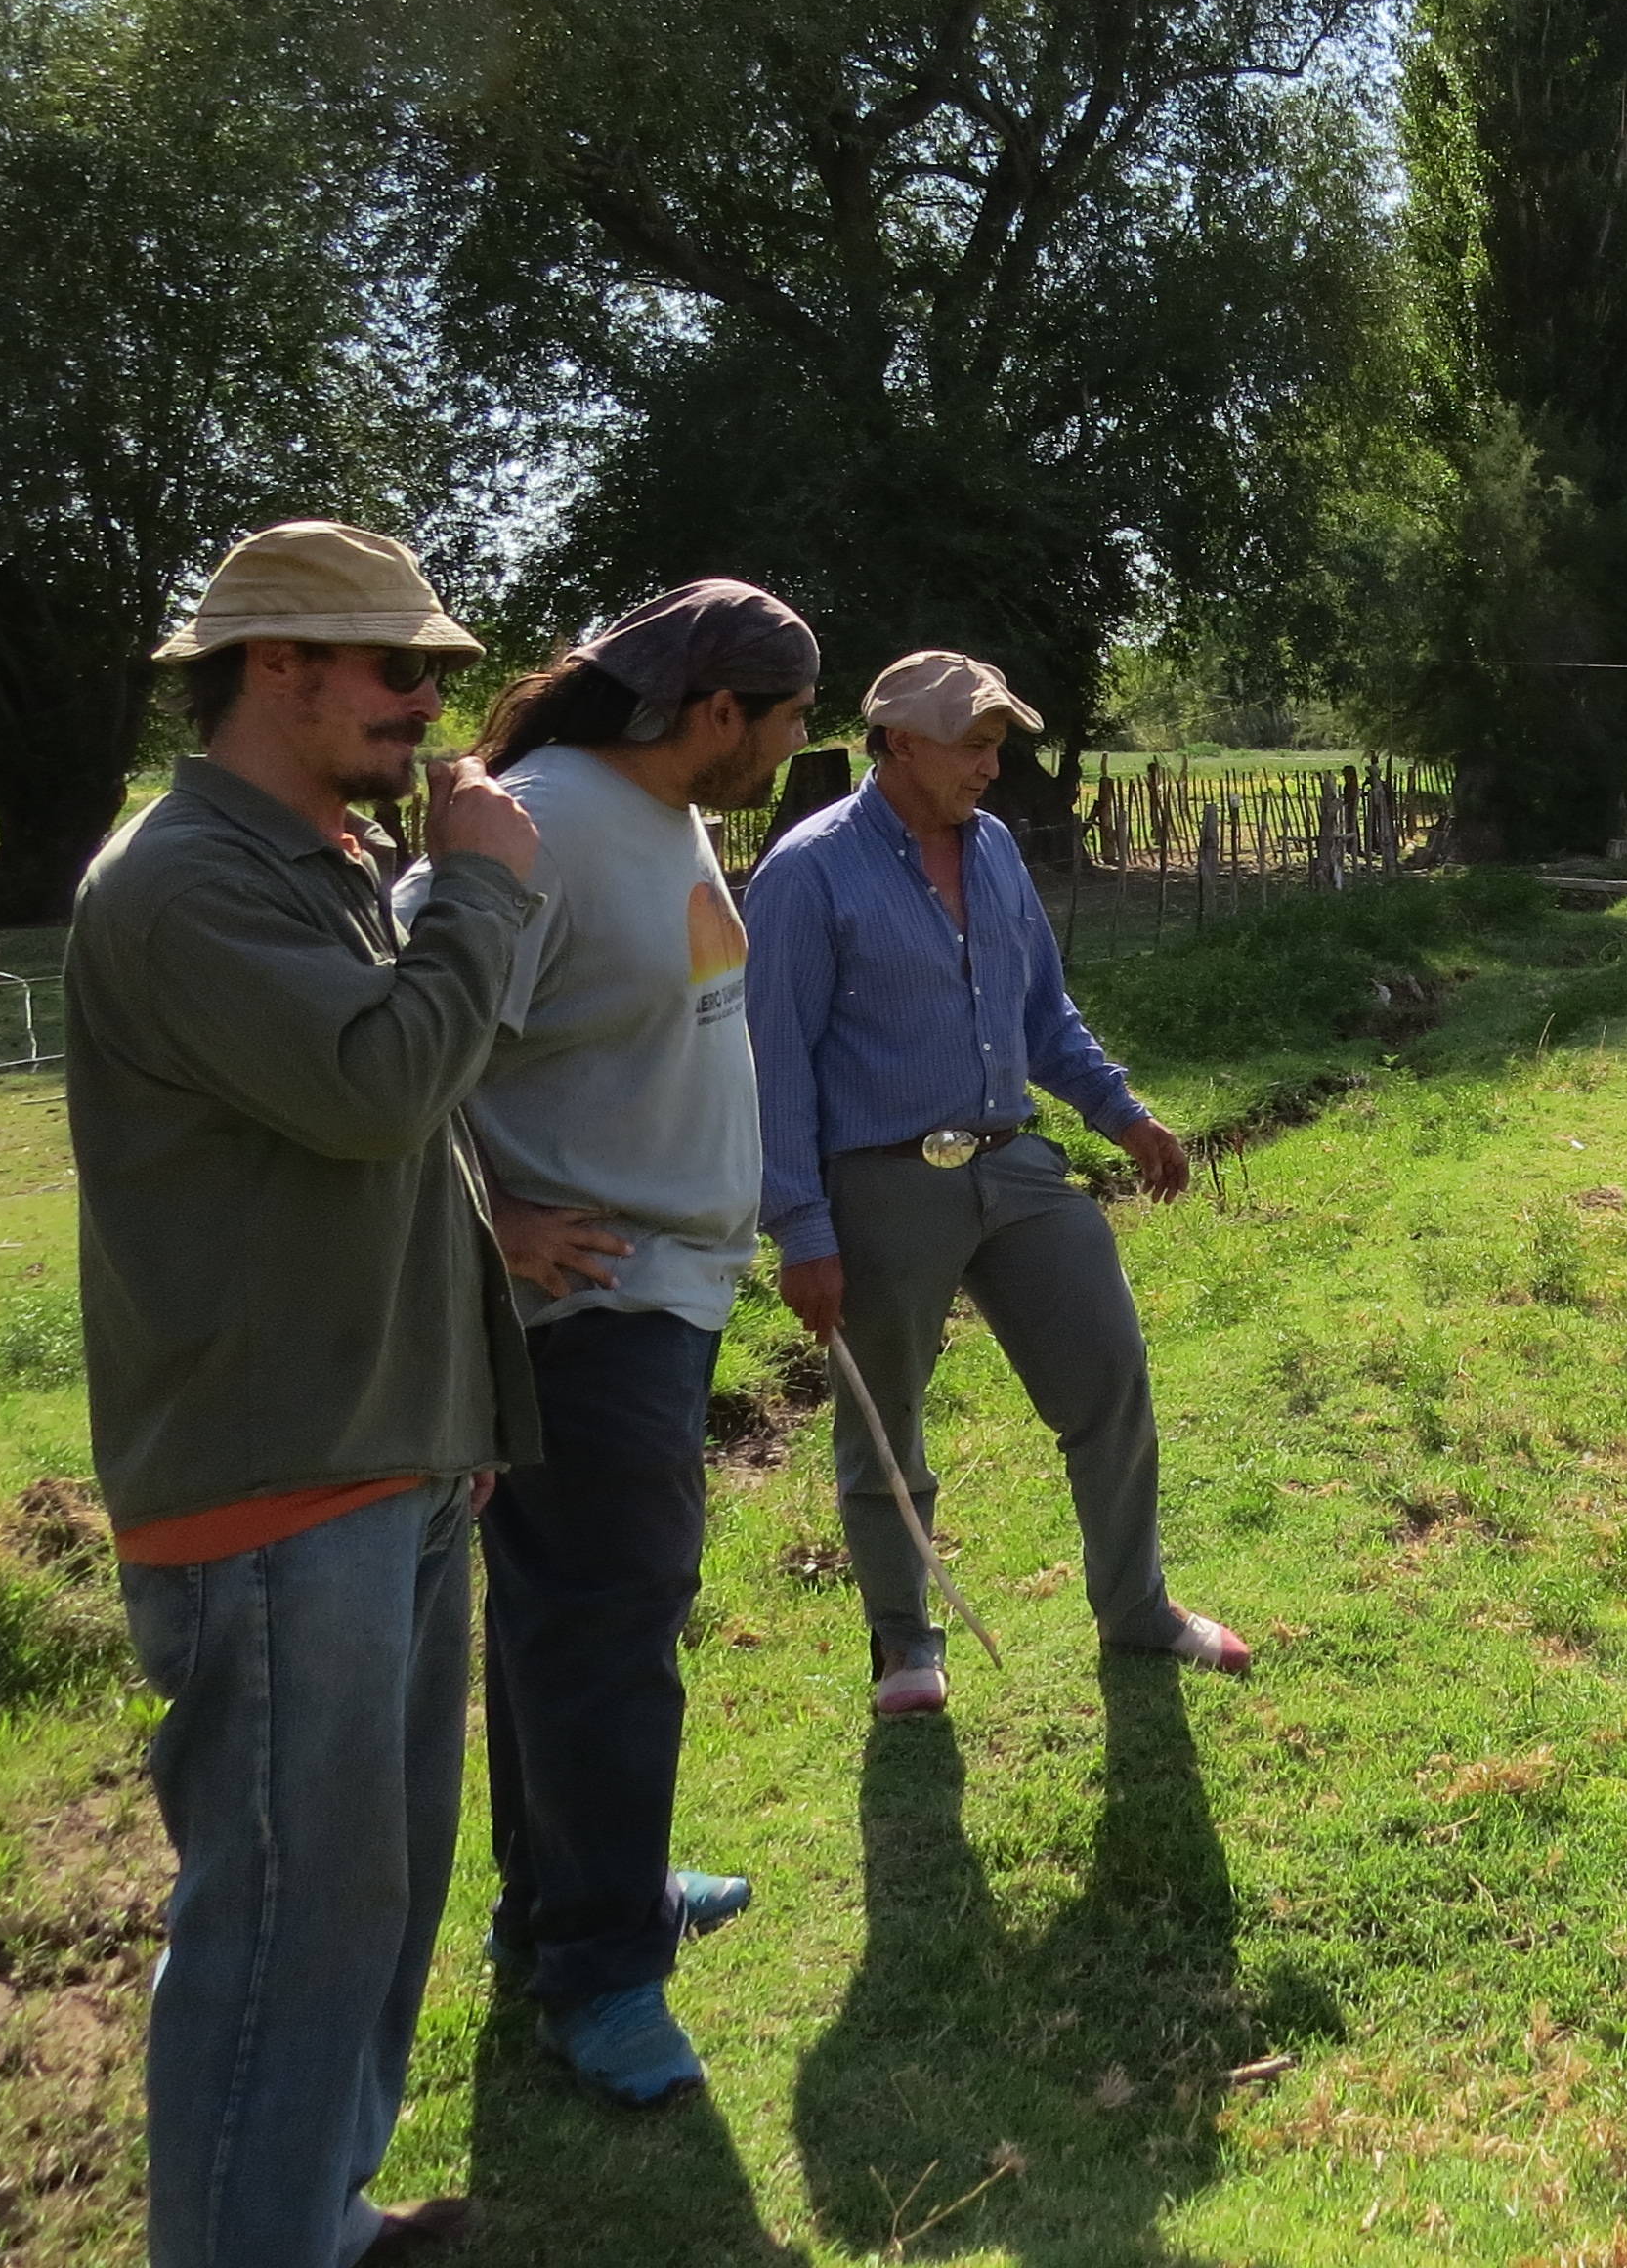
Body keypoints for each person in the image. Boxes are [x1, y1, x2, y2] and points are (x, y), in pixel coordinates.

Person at [64, 520, 540, 2268]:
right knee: (282, 1917)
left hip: (384, 1454)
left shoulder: (319, 858)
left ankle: (315, 2214)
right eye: (402, 669)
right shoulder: (185, 881)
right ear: (280, 669)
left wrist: (452, 1410)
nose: (433, 703)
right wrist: (481, 886)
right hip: (274, 1480)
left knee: (369, 1899)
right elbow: (379, 1093)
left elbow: (402, 1155)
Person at [402, 580, 819, 2108]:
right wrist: (493, 1220)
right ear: (716, 715)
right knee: (611, 1632)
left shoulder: (658, 807)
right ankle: (602, 1976)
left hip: (672, 1285)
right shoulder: (549, 824)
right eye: (785, 721)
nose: (791, 746)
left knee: (565, 1626)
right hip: (590, 1308)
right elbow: (407, 1039)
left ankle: (577, 1901)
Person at [743, 648, 1248, 1716]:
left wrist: (1124, 1113)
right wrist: (799, 1226)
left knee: (1108, 1377)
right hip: (880, 1181)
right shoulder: (808, 870)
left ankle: (1137, 1611)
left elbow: (1041, 1015)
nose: (989, 764)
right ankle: (906, 1649)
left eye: (996, 744)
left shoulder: (998, 851)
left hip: (1013, 1164)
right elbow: (773, 1059)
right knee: (886, 1422)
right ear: (897, 743)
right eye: (971, 744)